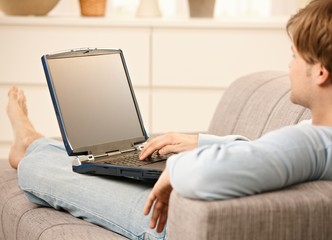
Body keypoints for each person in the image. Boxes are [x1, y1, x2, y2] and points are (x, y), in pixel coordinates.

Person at [6, 0, 332, 239]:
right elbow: (262, 153)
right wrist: (200, 142)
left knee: (43, 170)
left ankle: (31, 146)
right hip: (185, 206)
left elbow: (208, 174)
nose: (288, 66)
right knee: (89, 164)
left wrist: (174, 170)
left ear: (319, 71)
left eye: (293, 55)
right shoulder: (317, 136)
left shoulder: (310, 143)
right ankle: (36, 142)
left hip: (169, 222)